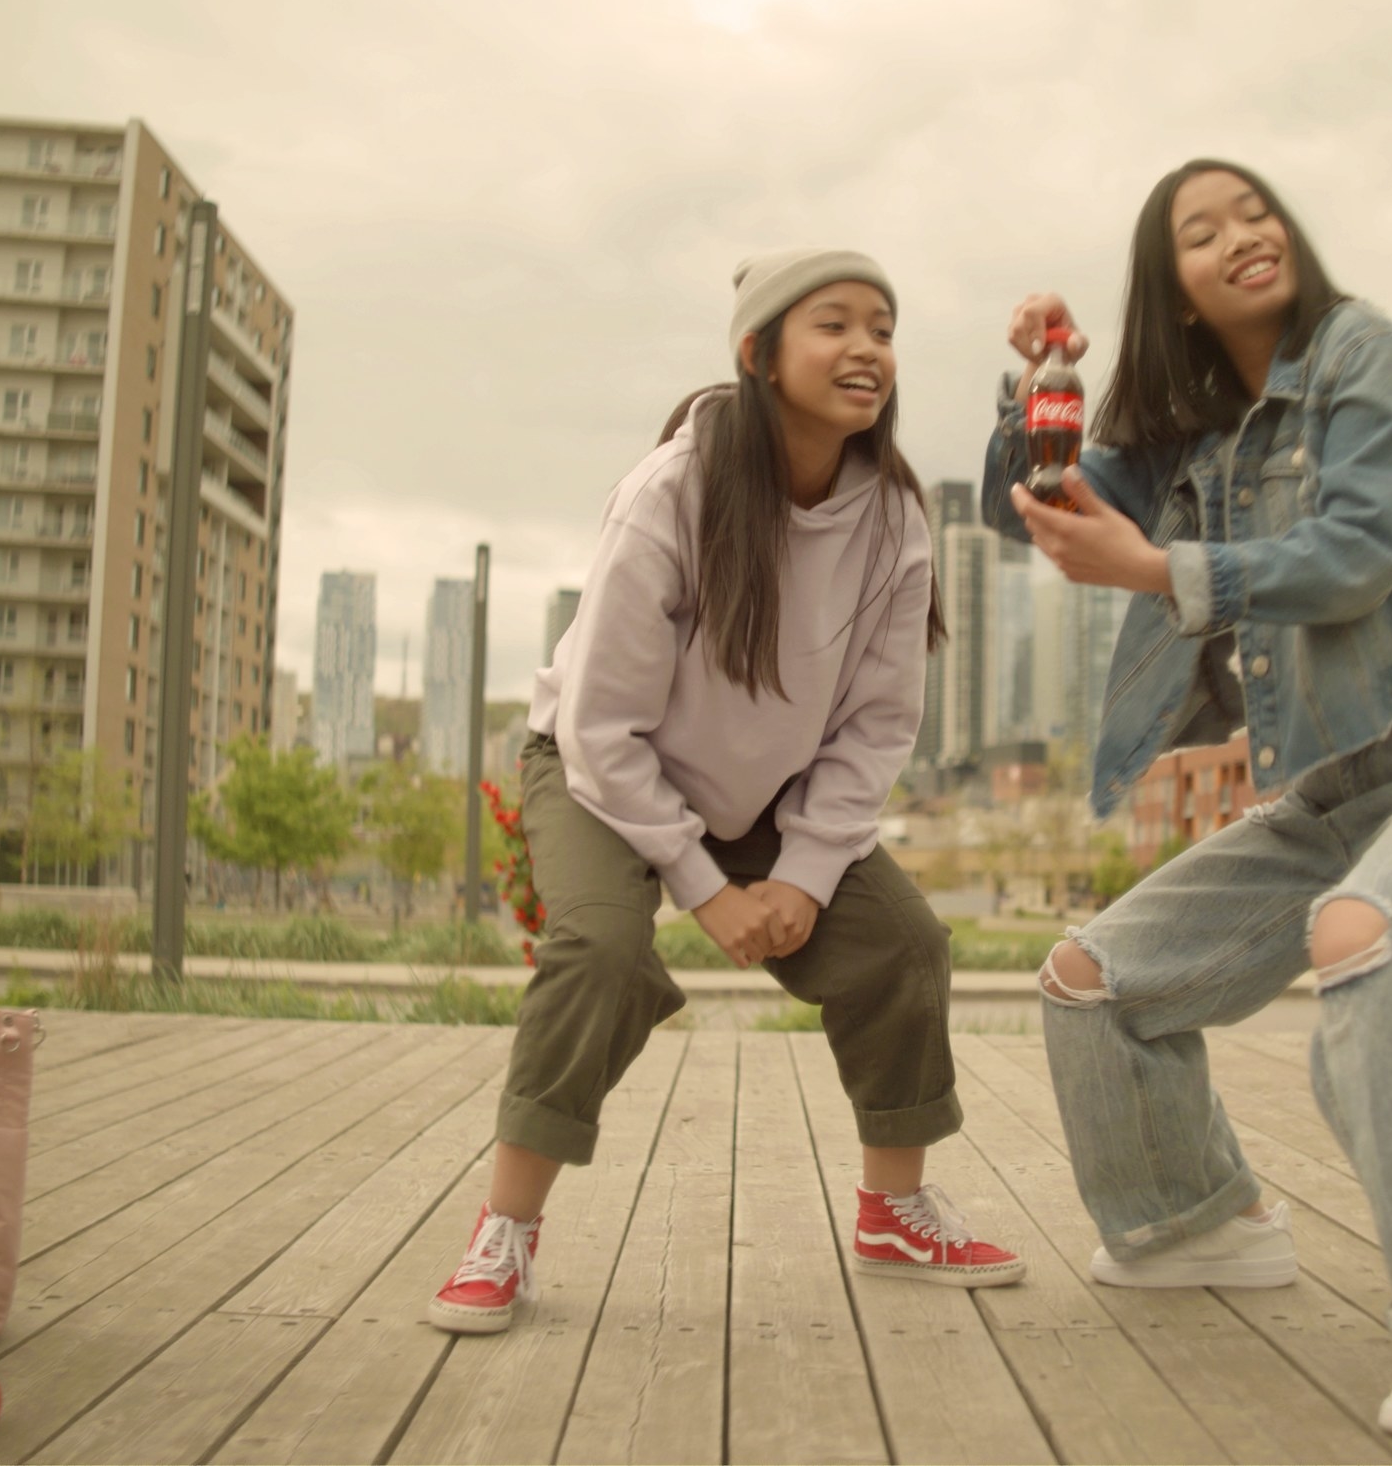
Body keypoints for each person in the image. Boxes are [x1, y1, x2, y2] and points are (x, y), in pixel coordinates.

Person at [983, 161, 1392, 1441]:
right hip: (1323, 796)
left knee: (1363, 937)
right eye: (1203, 232)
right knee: (1092, 977)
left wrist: (1163, 567)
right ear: (1174, 289)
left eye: (1254, 212)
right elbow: (1027, 508)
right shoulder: (1187, 434)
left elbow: (1356, 553)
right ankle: (1202, 1220)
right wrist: (1038, 389)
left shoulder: (1365, 357)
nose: (1243, 236)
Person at [430, 249, 1025, 1336]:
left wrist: (801, 873)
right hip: (601, 773)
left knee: (904, 944)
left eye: (883, 329)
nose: (866, 349)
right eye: (833, 325)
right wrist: (704, 888)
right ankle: (505, 1227)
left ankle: (894, 1211)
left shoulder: (894, 520)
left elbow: (878, 722)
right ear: (758, 355)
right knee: (601, 952)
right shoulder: (674, 490)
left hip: (770, 792)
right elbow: (602, 726)